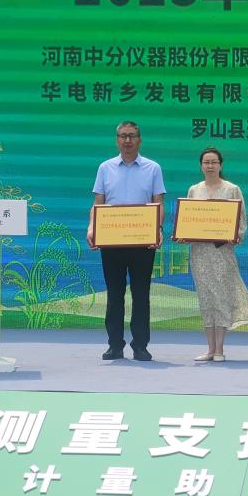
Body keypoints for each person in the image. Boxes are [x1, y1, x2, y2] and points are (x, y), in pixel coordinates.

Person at [88, 121, 165, 362]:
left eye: (132, 136)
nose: (127, 140)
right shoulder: (105, 168)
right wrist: (92, 228)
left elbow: (158, 202)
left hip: (143, 242)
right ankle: (115, 345)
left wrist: (158, 229)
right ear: (117, 140)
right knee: (114, 295)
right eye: (123, 136)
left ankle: (140, 346)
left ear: (139, 139)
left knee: (141, 295)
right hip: (112, 241)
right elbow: (98, 203)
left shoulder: (153, 168)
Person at [181, 146, 248, 363]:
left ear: (221, 165)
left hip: (222, 251)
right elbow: (188, 219)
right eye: (206, 162)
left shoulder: (232, 190)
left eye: (214, 162)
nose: (210, 166)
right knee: (206, 298)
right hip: (199, 252)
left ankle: (220, 349)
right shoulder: (194, 190)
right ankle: (210, 349)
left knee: (221, 296)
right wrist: (184, 233)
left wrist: (234, 236)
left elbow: (241, 220)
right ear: (201, 166)